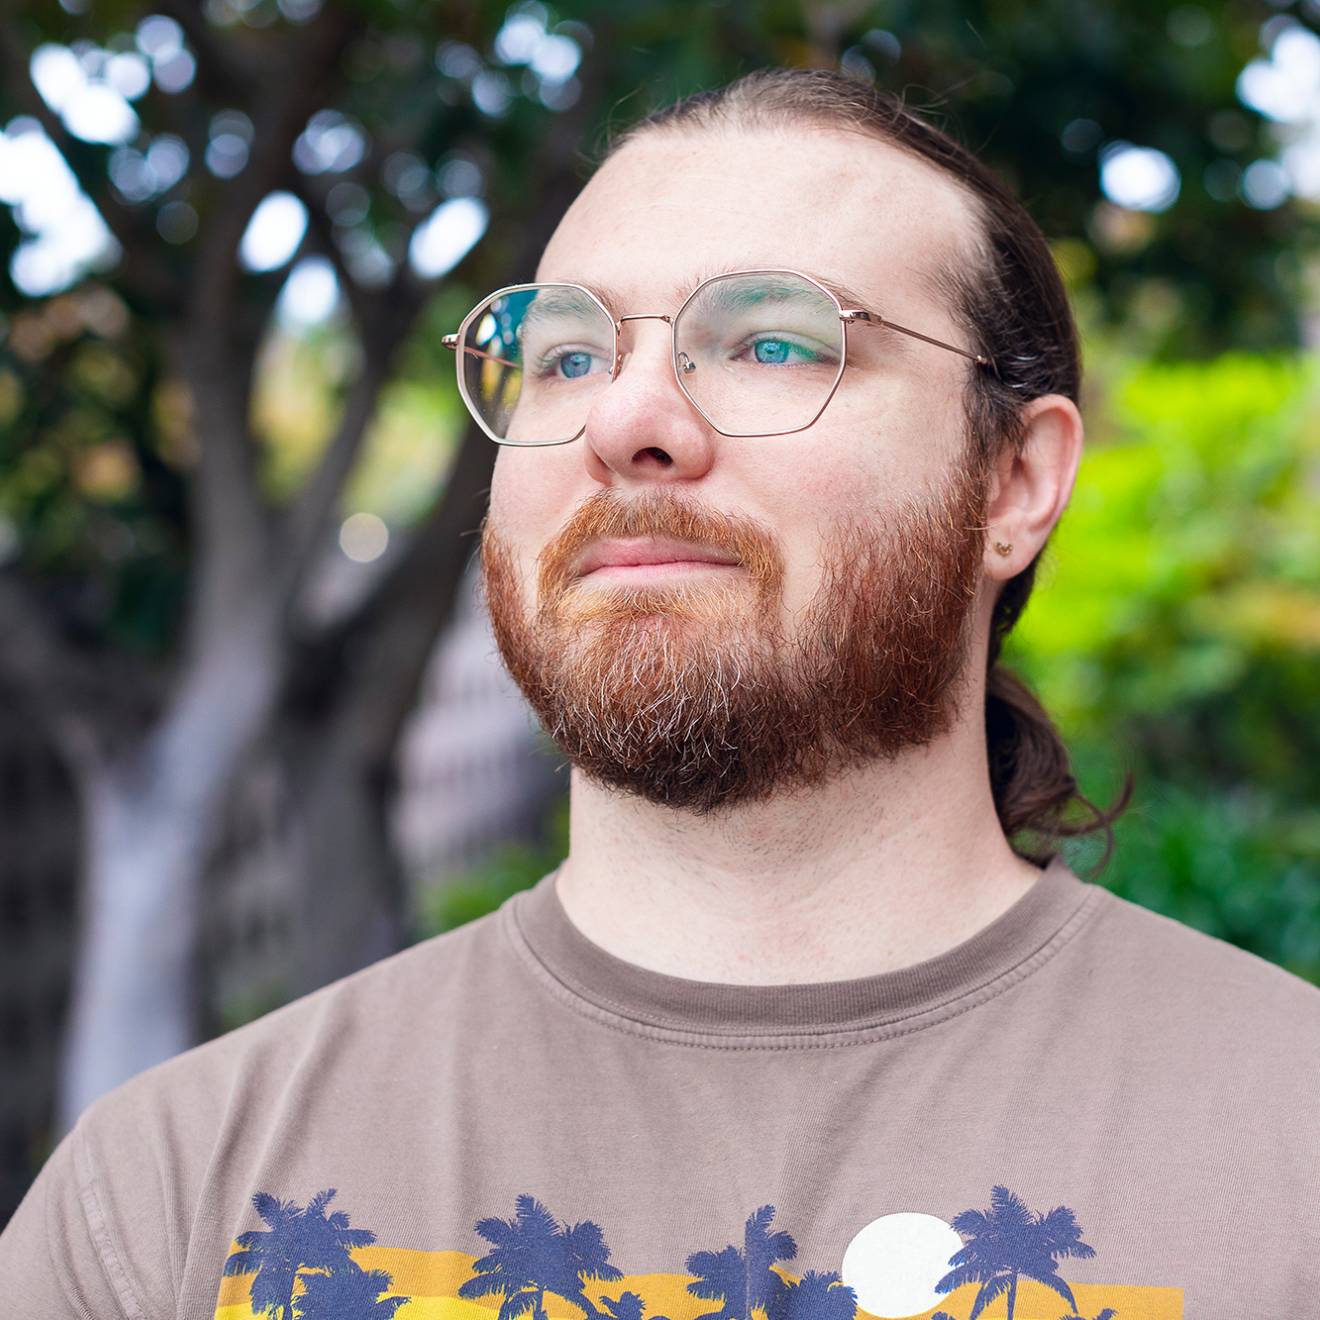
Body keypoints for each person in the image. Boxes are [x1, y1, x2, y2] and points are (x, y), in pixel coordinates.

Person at [2, 67, 1316, 1320]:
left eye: (774, 343)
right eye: (562, 355)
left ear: (1015, 485)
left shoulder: (1287, 1154)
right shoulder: (170, 1204)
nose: (625, 417)